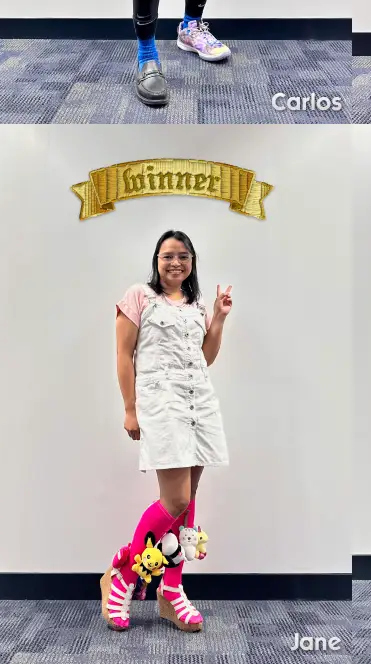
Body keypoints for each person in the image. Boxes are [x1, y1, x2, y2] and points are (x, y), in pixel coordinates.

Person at [100, 231, 232, 631]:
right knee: (172, 502)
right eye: (168, 256)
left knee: (187, 502)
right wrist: (130, 409)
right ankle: (121, 574)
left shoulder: (197, 305)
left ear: (192, 261)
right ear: (156, 260)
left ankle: (171, 590)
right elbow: (124, 355)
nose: (176, 263)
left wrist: (220, 318)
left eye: (183, 256)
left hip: (199, 405)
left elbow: (205, 357)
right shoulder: (139, 296)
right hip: (162, 404)